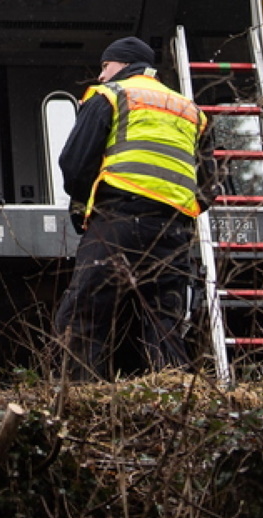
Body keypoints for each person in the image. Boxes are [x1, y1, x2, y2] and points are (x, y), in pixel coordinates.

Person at [52, 36, 211, 379]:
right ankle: (173, 400)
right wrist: (183, 209)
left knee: (84, 314)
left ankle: (79, 400)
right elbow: (210, 181)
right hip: (171, 227)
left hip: (119, 216)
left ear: (122, 64)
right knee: (164, 320)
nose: (102, 74)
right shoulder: (189, 110)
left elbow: (75, 162)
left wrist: (82, 207)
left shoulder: (111, 95)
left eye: (105, 66)